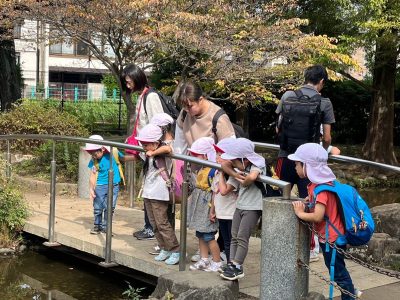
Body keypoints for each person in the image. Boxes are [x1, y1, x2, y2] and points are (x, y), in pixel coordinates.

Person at [174, 80, 235, 261]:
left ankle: (223, 252)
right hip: (197, 171)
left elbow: (230, 150)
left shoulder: (219, 118)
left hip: (216, 173)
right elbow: (180, 140)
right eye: (184, 106)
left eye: (190, 105)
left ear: (201, 99)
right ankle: (206, 252)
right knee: (202, 214)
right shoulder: (185, 114)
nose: (187, 109)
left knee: (218, 214)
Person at [290, 143, 355, 299]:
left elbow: (318, 216)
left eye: (297, 164)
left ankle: (349, 295)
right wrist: (310, 202)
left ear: (307, 166)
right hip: (333, 237)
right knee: (338, 271)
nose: (295, 168)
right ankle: (350, 292)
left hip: (332, 239)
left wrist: (300, 213)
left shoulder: (321, 189)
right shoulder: (323, 185)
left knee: (338, 273)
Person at [275, 65, 335, 199]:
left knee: (280, 199)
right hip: (309, 162)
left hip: (285, 156)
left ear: (306, 78)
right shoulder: (325, 103)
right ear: (321, 81)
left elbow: (278, 128)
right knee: (308, 200)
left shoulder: (287, 95)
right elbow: (326, 138)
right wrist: (322, 153)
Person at [122, 63, 165, 241]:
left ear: (137, 78)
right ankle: (150, 227)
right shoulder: (141, 96)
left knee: (152, 191)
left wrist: (154, 149)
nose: (127, 85)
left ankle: (153, 229)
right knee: (147, 191)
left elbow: (160, 123)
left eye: (129, 81)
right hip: (146, 150)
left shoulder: (151, 97)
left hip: (153, 152)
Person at [219, 138, 266, 280]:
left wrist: (241, 177)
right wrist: (234, 173)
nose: (232, 163)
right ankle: (231, 263)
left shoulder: (257, 164)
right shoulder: (240, 167)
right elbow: (224, 165)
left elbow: (249, 179)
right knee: (234, 236)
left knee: (242, 237)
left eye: (234, 160)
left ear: (244, 159)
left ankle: (238, 266)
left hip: (254, 206)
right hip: (240, 205)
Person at [135, 123, 180, 265]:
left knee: (162, 222)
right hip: (148, 191)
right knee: (154, 223)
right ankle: (163, 247)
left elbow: (169, 147)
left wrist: (153, 152)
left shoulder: (162, 152)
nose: (144, 147)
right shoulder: (146, 153)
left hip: (159, 193)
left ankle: (175, 249)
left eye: (146, 144)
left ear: (155, 143)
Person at [187, 137, 222, 272]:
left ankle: (217, 261)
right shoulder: (202, 168)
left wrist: (212, 211)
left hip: (207, 206)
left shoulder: (214, 171)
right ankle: (204, 259)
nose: (194, 157)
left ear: (207, 155)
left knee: (209, 236)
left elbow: (214, 193)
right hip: (199, 206)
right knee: (200, 233)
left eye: (197, 155)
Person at [84, 135, 124, 235]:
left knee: (110, 207)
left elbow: (123, 158)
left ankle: (106, 226)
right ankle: (97, 225)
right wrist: (91, 189)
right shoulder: (94, 160)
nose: (93, 155)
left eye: (95, 153)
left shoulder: (112, 152)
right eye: (91, 153)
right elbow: (93, 175)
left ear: (102, 149)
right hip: (100, 186)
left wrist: (138, 156)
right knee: (97, 207)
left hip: (113, 185)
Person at [211, 138, 239, 263]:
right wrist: (212, 210)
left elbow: (223, 191)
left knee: (232, 242)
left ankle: (232, 264)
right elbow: (214, 193)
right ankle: (228, 263)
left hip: (232, 214)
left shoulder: (235, 174)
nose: (217, 158)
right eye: (217, 154)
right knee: (226, 242)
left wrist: (222, 174)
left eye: (221, 155)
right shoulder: (216, 172)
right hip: (221, 212)